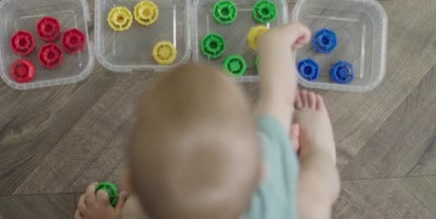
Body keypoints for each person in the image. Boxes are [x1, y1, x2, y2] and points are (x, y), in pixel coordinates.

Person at [74, 23, 340, 219]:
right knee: (315, 198)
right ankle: (319, 151)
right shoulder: (266, 157)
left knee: (132, 211)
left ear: (129, 181)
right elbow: (279, 96)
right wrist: (275, 42)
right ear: (261, 171)